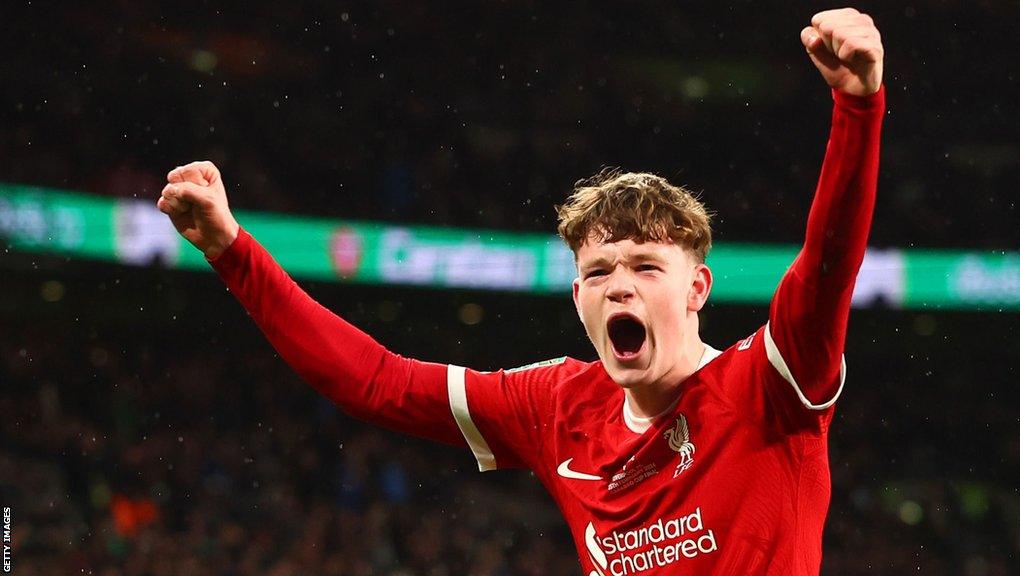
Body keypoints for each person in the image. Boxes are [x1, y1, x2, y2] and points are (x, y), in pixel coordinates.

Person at [157, 8, 884, 575]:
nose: (619, 287)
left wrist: (857, 108)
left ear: (697, 288)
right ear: (577, 299)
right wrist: (230, 250)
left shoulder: (769, 386)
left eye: (645, 268)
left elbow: (827, 265)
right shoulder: (559, 406)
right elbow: (374, 382)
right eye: (599, 274)